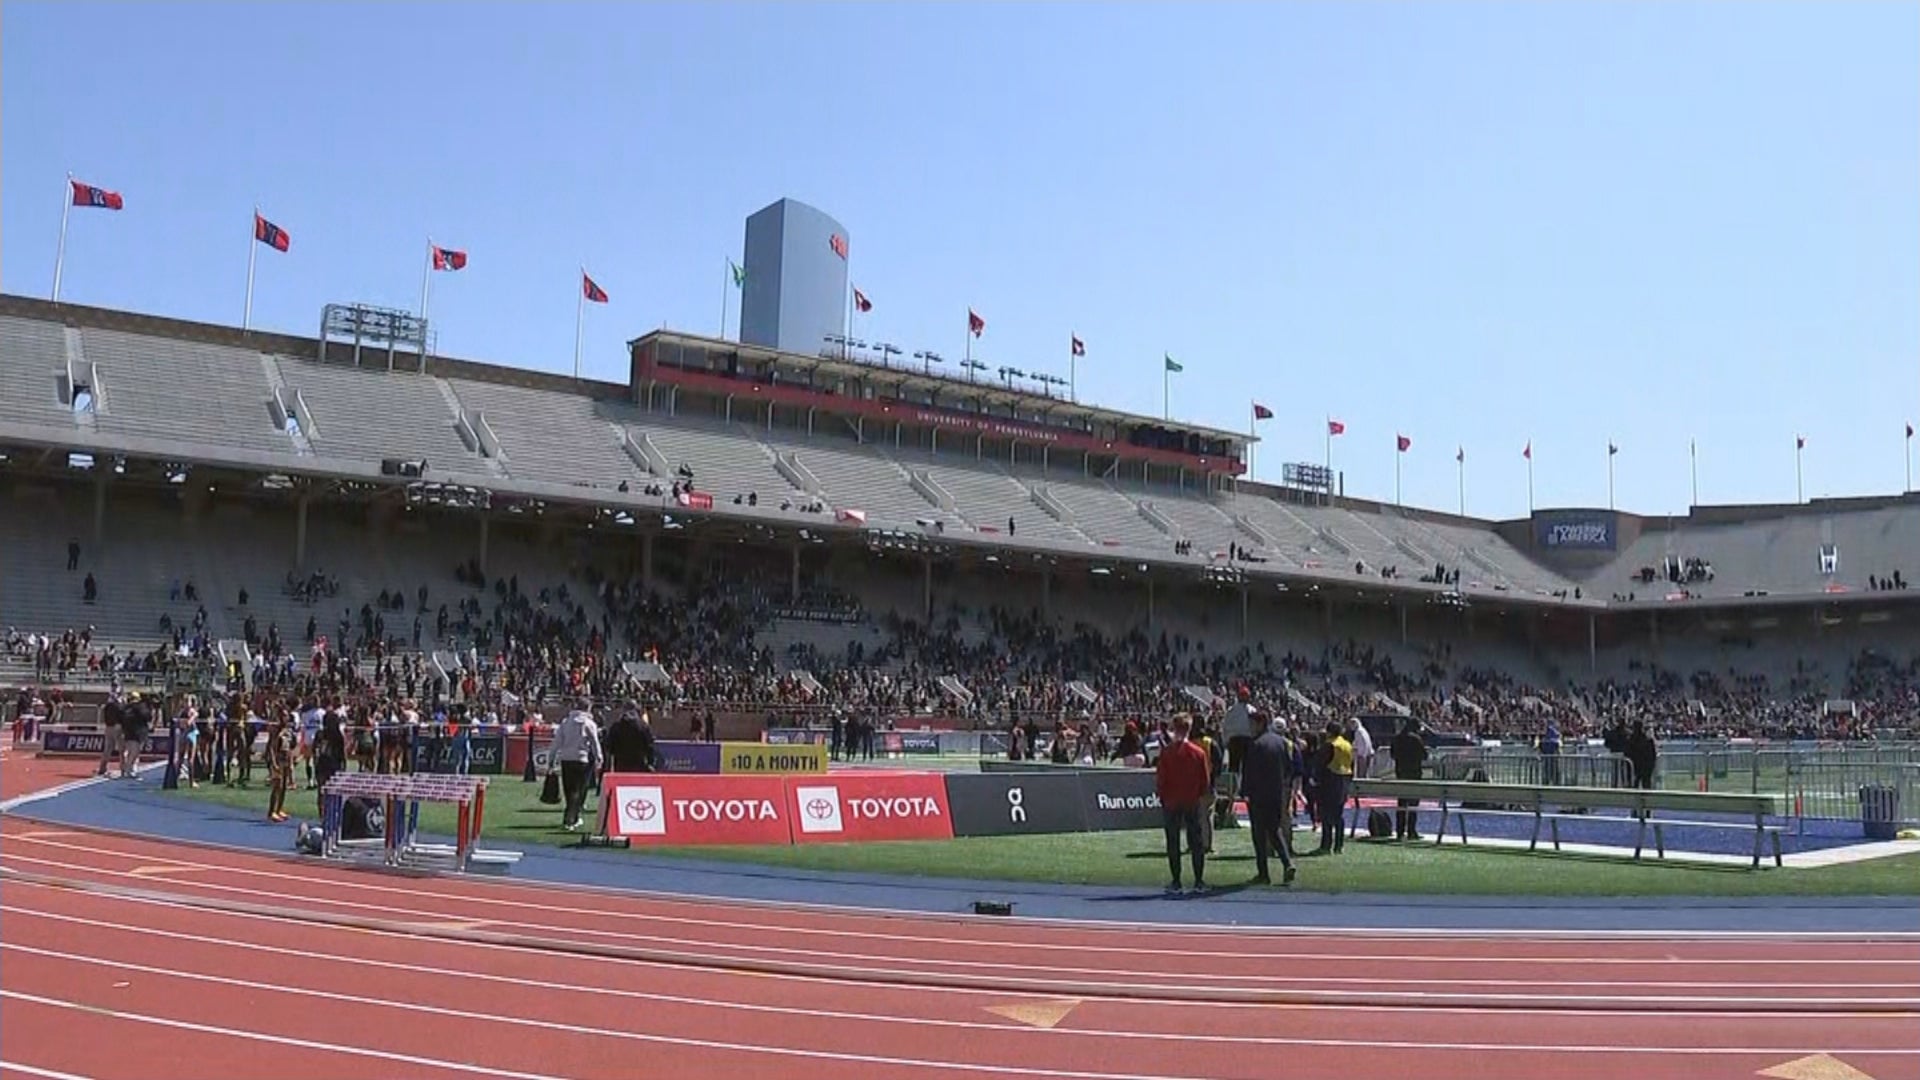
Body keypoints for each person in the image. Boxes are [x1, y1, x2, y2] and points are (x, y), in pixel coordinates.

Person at [1153, 714, 1212, 893]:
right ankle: (1198, 880)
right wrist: (1198, 794)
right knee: (1196, 842)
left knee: (1173, 841)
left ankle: (1176, 880)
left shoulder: (1167, 752)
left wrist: (1163, 796)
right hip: (1191, 801)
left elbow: (1161, 779)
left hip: (1171, 801)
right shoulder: (1198, 753)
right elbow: (1205, 780)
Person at [1241, 711, 1298, 885]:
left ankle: (1263, 873)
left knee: (1259, 834)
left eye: (1252, 724)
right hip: (1276, 793)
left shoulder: (1255, 744)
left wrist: (1244, 791)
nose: (1250, 728)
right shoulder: (1282, 742)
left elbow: (1248, 771)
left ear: (1259, 724)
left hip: (1258, 795)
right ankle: (1287, 862)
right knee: (1274, 830)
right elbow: (1289, 768)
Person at [547, 696, 603, 832]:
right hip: (581, 759)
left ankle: (572, 816)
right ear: (587, 708)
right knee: (579, 790)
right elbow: (595, 743)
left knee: (569, 790)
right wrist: (599, 757)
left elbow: (556, 743)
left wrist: (551, 760)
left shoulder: (565, 722)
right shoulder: (589, 724)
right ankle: (571, 818)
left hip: (566, 759)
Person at [1314, 720, 1354, 855]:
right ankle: (1339, 845)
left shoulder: (1329, 745)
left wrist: (1316, 780)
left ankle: (1326, 845)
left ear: (1329, 731)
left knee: (1326, 815)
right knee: (1338, 815)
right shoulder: (1347, 745)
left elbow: (1320, 764)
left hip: (1329, 780)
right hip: (1344, 780)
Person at [1389, 716, 1428, 840]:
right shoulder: (1416, 739)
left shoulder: (1397, 738)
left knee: (1401, 804)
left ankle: (1400, 832)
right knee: (1413, 805)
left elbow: (1392, 755)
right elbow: (1424, 756)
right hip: (1414, 774)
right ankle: (1411, 831)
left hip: (1401, 773)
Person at [603, 706, 658, 773]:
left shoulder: (616, 726)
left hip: (621, 763)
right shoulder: (643, 726)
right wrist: (651, 763)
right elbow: (650, 746)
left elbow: (609, 746)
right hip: (639, 762)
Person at [265, 711, 297, 823]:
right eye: (283, 716)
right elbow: (272, 748)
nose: (285, 718)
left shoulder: (288, 731)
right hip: (278, 760)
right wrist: (274, 763)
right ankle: (271, 811)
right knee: (276, 786)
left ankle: (279, 809)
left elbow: (292, 746)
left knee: (283, 786)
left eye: (286, 716)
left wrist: (291, 760)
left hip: (286, 759)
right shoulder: (276, 731)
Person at [119, 692, 153, 780]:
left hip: (129, 732)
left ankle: (131, 770)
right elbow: (148, 717)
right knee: (134, 752)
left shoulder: (125, 708)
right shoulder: (140, 707)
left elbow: (121, 720)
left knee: (131, 752)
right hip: (137, 733)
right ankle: (128, 770)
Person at [1540, 719, 1562, 786]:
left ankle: (1547, 784)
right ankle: (1555, 784)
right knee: (1553, 773)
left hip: (1549, 759)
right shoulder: (1553, 735)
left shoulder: (1550, 733)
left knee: (1548, 773)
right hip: (1552, 759)